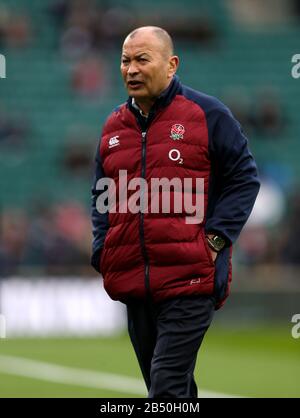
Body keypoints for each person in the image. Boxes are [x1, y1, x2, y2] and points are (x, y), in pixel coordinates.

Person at [91, 26, 260, 398]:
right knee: (172, 387)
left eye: (142, 59)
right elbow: (101, 194)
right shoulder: (113, 126)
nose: (131, 69)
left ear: (171, 65)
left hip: (190, 280)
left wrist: (215, 239)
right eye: (125, 60)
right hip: (135, 282)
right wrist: (103, 250)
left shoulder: (208, 114)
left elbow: (244, 179)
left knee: (165, 388)